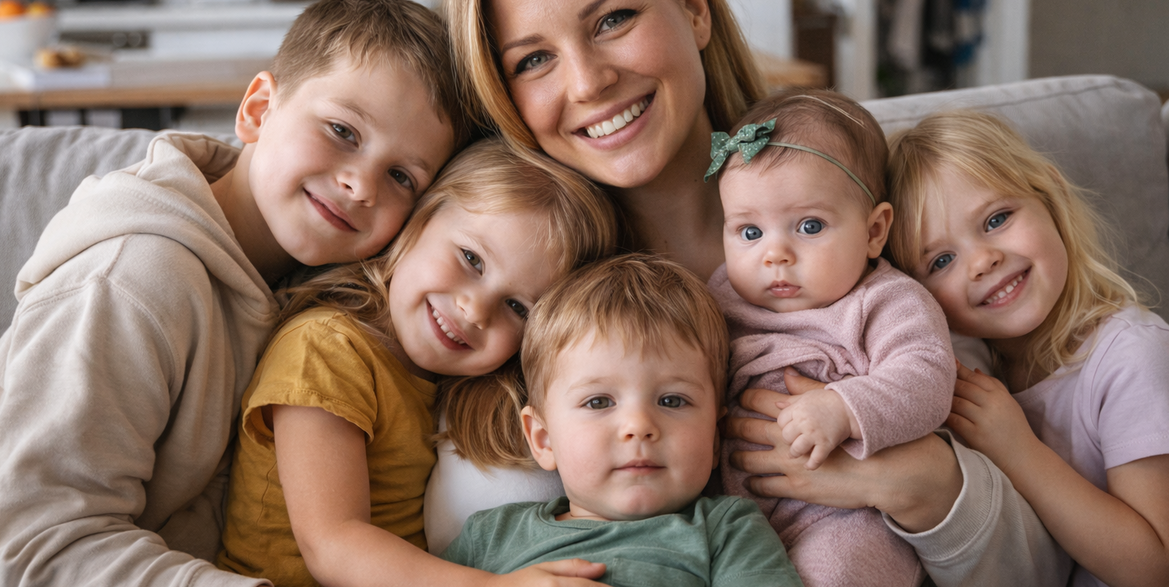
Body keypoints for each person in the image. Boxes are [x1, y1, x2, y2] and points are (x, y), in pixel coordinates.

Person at [441, 0, 1067, 585]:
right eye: (534, 59)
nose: (586, 82)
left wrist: (919, 482)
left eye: (613, 19)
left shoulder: (863, 209)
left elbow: (1044, 567)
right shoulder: (507, 290)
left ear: (693, 6)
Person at [0, 0, 468, 586]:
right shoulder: (132, 281)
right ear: (257, 110)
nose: (362, 186)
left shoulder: (324, 283)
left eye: (401, 176)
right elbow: (43, 544)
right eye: (342, 130)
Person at [217, 139, 620, 587]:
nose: (474, 310)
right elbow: (330, 544)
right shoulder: (325, 349)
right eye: (471, 259)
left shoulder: (457, 383)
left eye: (517, 307)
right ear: (417, 222)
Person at [885, 110, 1169, 587]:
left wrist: (1018, 451)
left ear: (1050, 196)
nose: (983, 260)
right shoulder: (982, 375)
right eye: (942, 260)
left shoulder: (1136, 358)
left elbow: (1155, 570)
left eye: (996, 219)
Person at [706, 89, 954, 586]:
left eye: (809, 225)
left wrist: (842, 407)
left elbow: (927, 376)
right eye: (749, 232)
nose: (775, 254)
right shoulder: (718, 299)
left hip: (848, 518)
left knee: (836, 573)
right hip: (738, 522)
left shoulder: (882, 301)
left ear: (874, 231)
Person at [442, 254, 803, 587]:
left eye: (672, 400)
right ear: (543, 439)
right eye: (599, 401)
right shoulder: (489, 536)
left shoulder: (727, 529)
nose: (638, 425)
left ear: (714, 439)